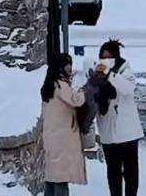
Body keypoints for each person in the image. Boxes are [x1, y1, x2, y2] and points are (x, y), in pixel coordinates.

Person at [95, 39, 144, 196]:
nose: (105, 60)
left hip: (127, 131)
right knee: (113, 172)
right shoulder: (96, 72)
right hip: (108, 132)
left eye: (109, 57)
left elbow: (127, 89)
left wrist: (110, 75)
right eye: (103, 57)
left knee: (131, 172)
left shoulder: (125, 70)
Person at [40, 53, 87, 196]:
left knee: (52, 177)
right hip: (62, 139)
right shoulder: (60, 85)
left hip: (52, 137)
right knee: (61, 178)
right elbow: (76, 101)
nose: (70, 68)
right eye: (68, 64)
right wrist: (84, 91)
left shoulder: (49, 85)